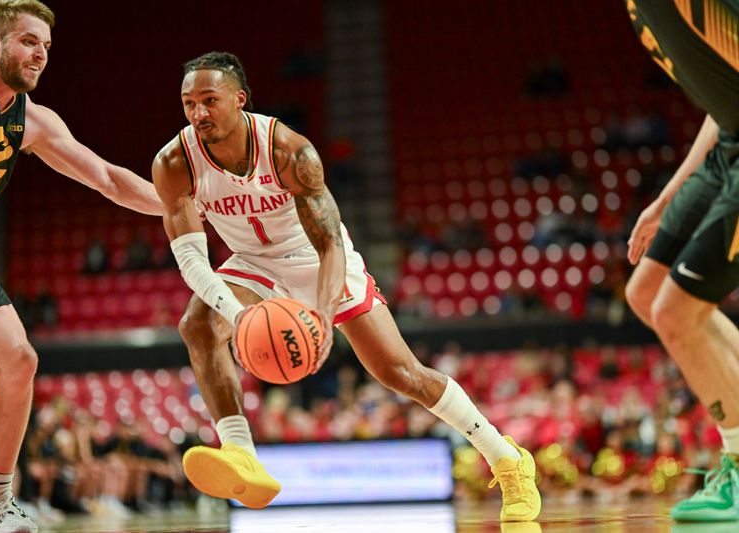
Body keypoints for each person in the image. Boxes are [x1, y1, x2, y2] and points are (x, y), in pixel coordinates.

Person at [152, 51, 541, 520]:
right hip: (252, 263)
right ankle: (241, 453)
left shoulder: (289, 151)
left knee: (402, 375)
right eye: (188, 103)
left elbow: (330, 244)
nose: (198, 114)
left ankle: (506, 458)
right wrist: (239, 316)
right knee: (197, 324)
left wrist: (319, 314)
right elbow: (192, 260)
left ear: (239, 99)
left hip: (315, 257)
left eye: (209, 101)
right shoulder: (175, 161)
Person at [0, 1, 163, 531]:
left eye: (45, 46)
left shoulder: (33, 121)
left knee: (19, 359)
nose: (39, 54)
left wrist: (188, 208)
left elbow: (108, 179)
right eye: (27, 41)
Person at [623, 0, 739, 522]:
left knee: (675, 312)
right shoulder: (638, 9)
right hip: (728, 147)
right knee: (646, 293)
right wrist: (668, 196)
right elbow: (723, 102)